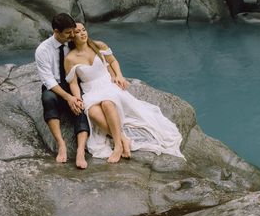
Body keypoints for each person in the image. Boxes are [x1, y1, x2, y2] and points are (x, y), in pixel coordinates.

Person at [64, 23, 184, 163]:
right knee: (93, 112)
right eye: (78, 32)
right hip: (90, 90)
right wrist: (77, 99)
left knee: (108, 104)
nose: (83, 33)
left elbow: (113, 61)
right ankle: (123, 139)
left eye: (84, 30)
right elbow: (73, 83)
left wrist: (119, 75)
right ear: (72, 36)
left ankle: (118, 146)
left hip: (107, 84)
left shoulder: (98, 45)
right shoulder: (70, 59)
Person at [35, 13, 93, 169]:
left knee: (81, 104)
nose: (72, 35)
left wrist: (75, 97)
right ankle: (61, 143)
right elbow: (48, 81)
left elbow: (92, 52)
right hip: (54, 86)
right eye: (68, 32)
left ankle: (81, 150)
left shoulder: (73, 42)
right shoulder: (42, 50)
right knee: (48, 99)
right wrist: (68, 98)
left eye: (73, 31)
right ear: (56, 31)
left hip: (72, 82)